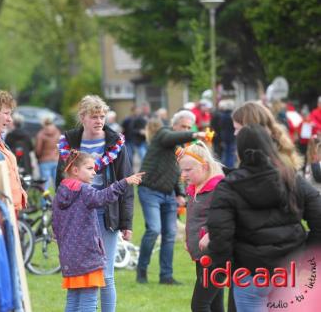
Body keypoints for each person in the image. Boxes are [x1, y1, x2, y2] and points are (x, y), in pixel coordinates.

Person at [203, 124, 321, 311]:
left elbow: (220, 235)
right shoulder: (291, 178)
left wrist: (227, 268)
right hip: (281, 269)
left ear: (239, 151)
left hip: (255, 271)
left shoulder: (229, 186)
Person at [56, 95, 133, 312]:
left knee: (105, 274)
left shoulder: (115, 142)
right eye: (94, 117)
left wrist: (126, 222)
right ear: (82, 118)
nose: (99, 121)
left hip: (105, 211)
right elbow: (60, 180)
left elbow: (124, 181)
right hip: (77, 214)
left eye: (102, 116)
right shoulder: (70, 142)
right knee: (80, 273)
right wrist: (59, 220)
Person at [52, 150, 144, 312]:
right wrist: (124, 182)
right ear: (75, 170)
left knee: (73, 300)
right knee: (89, 300)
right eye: (89, 168)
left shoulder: (61, 191)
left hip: (69, 257)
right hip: (88, 256)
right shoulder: (84, 190)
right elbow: (102, 197)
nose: (94, 172)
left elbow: (55, 224)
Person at [136, 110, 207, 284]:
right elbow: (171, 138)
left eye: (189, 127)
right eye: (183, 126)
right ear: (174, 125)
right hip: (149, 190)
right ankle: (141, 272)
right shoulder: (163, 134)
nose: (185, 129)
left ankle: (166, 276)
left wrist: (180, 193)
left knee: (170, 234)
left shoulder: (179, 149)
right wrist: (195, 134)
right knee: (154, 230)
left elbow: (177, 173)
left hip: (168, 194)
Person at [177, 142, 225, 312]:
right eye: (182, 170)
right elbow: (195, 218)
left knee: (199, 305)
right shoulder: (194, 188)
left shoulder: (219, 188)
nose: (183, 175)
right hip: (202, 255)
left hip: (217, 255)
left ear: (204, 166)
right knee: (214, 304)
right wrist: (188, 238)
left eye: (188, 170)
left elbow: (229, 215)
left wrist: (211, 233)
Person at [232, 101, 303, 171]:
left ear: (251, 129)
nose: (235, 133)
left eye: (237, 129)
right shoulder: (269, 154)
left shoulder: (268, 163)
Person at [35, 115, 61, 190]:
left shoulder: (41, 134)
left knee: (44, 184)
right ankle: (59, 200)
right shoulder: (57, 132)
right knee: (57, 183)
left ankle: (45, 201)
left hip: (44, 161)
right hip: (56, 160)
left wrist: (38, 157)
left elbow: (38, 150)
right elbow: (60, 146)